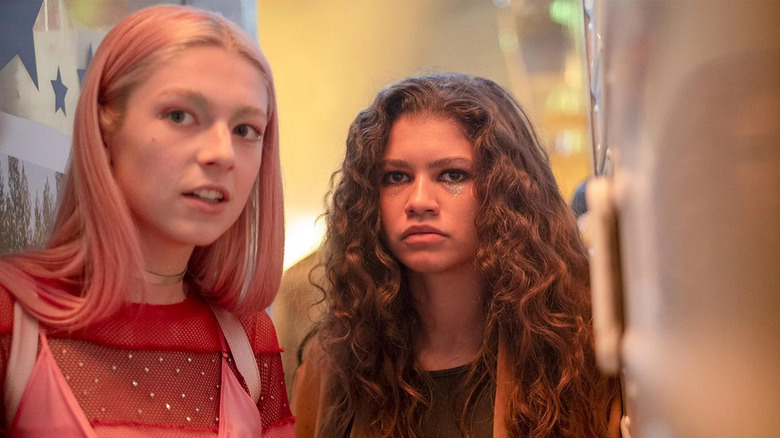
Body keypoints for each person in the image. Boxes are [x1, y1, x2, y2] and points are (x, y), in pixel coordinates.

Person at [0, 5, 294, 436]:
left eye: (246, 129)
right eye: (180, 116)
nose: (222, 154)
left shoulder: (249, 340)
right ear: (104, 130)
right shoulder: (11, 316)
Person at [292, 74, 621, 437]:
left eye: (452, 175)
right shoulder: (333, 364)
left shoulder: (577, 349)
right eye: (396, 177)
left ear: (506, 190)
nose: (418, 201)